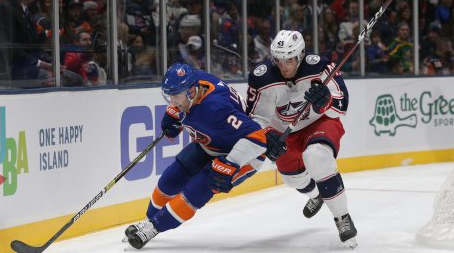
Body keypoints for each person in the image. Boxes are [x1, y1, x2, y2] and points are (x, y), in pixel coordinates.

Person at [124, 63, 268, 249]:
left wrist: (231, 163)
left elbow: (258, 136)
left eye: (175, 96)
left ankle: (154, 228)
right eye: (169, 96)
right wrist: (173, 113)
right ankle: (149, 220)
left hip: (243, 155)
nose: (172, 101)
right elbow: (180, 106)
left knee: (195, 191)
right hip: (211, 144)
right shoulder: (194, 81)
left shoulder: (216, 108)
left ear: (192, 92)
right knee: (170, 179)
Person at [246, 30, 357, 247]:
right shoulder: (262, 77)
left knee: (316, 156)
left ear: (301, 55)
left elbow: (341, 106)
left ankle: (342, 217)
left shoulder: (319, 67)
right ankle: (317, 195)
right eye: (278, 60)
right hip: (284, 133)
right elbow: (256, 117)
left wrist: (325, 102)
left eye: (289, 59)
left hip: (319, 123)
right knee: (291, 179)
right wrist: (267, 136)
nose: (283, 65)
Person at [0, 0, 53, 87]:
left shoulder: (26, 10)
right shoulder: (5, 8)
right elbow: (10, 49)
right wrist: (42, 64)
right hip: (9, 70)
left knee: (72, 76)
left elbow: (33, 45)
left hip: (25, 65)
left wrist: (51, 61)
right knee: (53, 78)